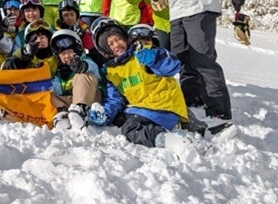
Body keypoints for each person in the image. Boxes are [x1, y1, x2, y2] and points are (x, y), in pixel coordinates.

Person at [88, 17, 207, 159]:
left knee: (129, 129)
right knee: (119, 118)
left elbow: (172, 66)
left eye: (117, 39)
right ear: (106, 50)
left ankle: (168, 140)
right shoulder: (111, 72)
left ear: (125, 38)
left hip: (163, 105)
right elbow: (114, 99)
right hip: (144, 108)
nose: (116, 45)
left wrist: (153, 59)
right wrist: (105, 115)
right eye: (110, 44)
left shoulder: (142, 52)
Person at [48, 29, 101, 130]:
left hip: (92, 100)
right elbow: (57, 90)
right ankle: (63, 114)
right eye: (63, 54)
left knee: (82, 76)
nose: (67, 56)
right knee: (48, 93)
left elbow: (94, 70)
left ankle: (81, 111)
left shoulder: (86, 62)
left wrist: (83, 66)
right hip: (70, 103)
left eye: (70, 52)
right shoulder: (58, 73)